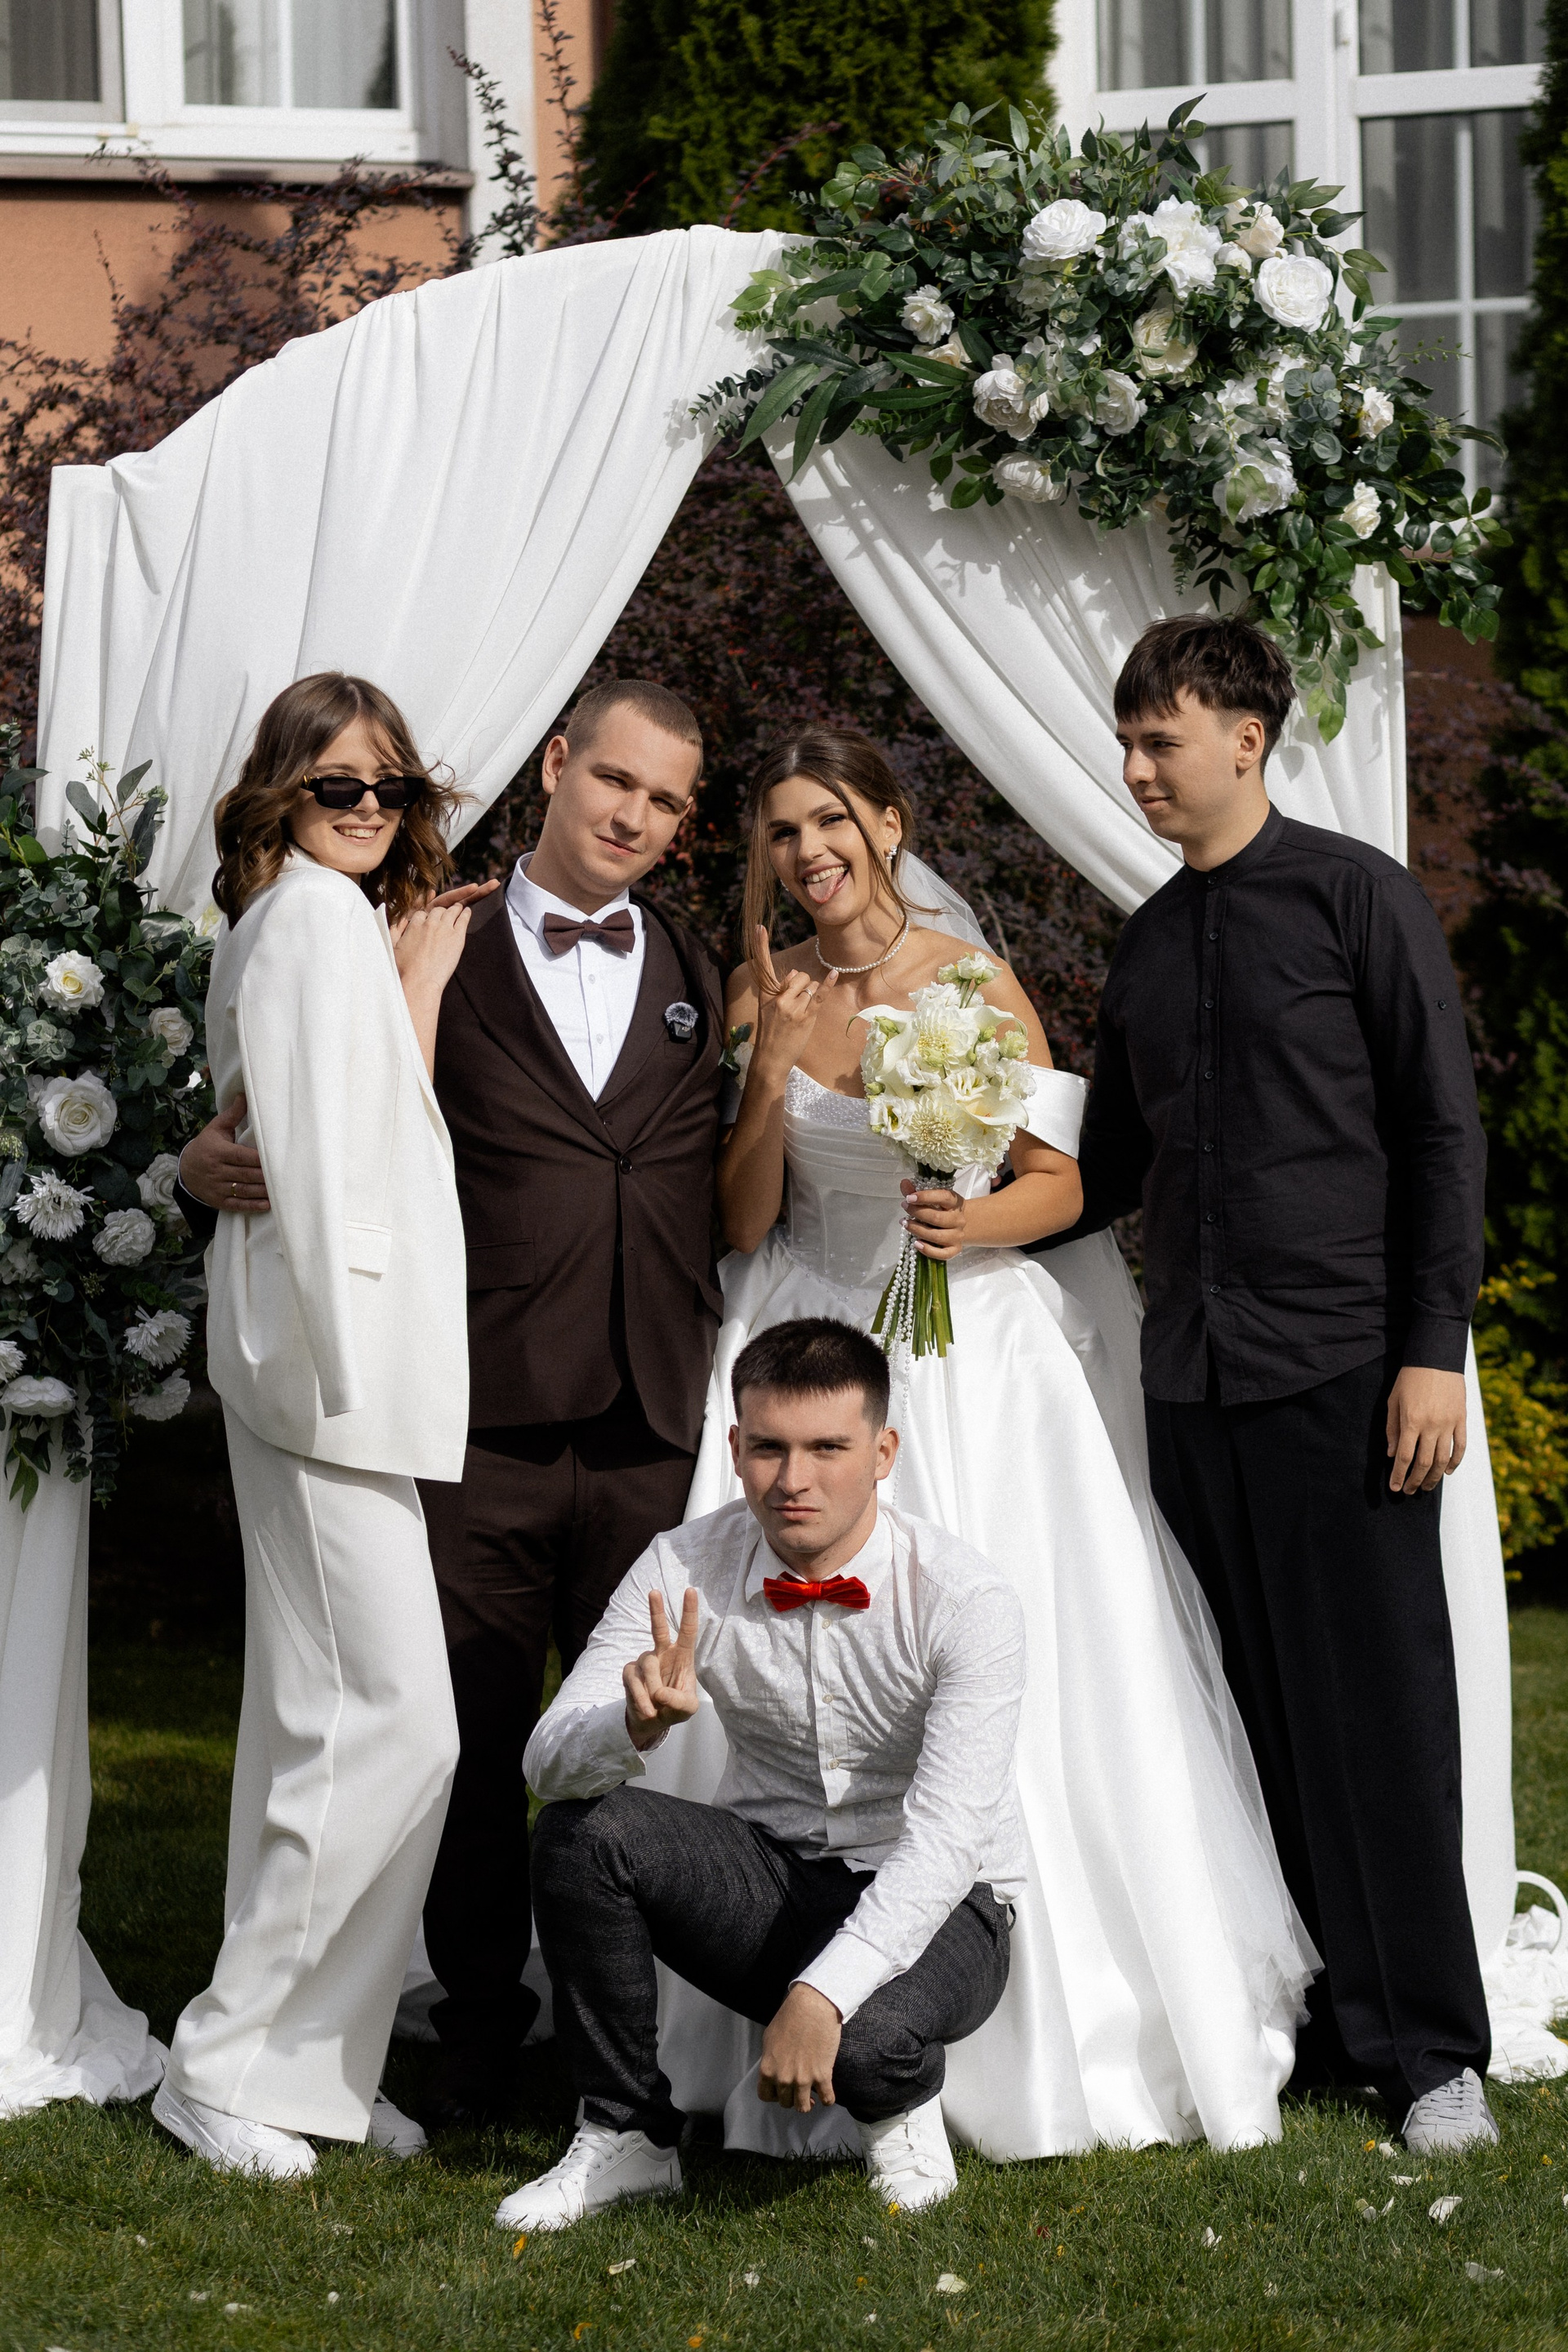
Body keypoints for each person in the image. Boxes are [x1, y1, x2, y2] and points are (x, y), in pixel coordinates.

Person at [648, 726, 1317, 2162]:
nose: (808, 852)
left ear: (888, 826)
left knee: (1011, 1663)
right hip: (803, 1329)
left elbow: (1062, 1182)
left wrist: (966, 1222)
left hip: (960, 1352)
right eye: (782, 831)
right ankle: (767, 1986)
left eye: (832, 820)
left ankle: (1034, 2024)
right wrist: (766, 1075)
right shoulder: (765, 991)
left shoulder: (970, 981)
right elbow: (744, 1218)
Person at [180, 676, 725, 2130]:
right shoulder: (418, 935)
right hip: (465, 1400)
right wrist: (198, 1165)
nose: (635, 816)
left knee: (632, 1737)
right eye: (615, 780)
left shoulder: (694, 957)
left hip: (650, 1409)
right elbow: (318, 1115)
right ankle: (475, 2033)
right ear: (556, 766)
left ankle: (619, 2050)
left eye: (667, 801)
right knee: (460, 1735)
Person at [1048, 613, 1494, 2154]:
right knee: (1248, 1721)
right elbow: (1113, 1163)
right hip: (1193, 1385)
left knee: (1380, 1719)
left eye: (1159, 740)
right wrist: (957, 1173)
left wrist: (1432, 1351)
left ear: (1247, 739)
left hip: (1348, 1370)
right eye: (1128, 741)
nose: (1135, 768)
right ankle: (1318, 2022)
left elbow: (1441, 1134)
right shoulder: (1148, 940)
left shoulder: (1360, 898)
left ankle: (1430, 2055)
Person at [154, 672, 472, 2179]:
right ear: (284, 793)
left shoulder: (321, 923)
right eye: (338, 785)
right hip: (324, 1373)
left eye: (389, 788)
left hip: (339, 1374)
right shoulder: (305, 920)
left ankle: (313, 2068)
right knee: (397, 1724)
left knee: (326, 1727)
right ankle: (226, 2061)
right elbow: (301, 1154)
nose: (367, 809)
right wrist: (338, 1377)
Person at [502, 1316, 1024, 2231]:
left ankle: (899, 2111)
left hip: (950, 1901)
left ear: (883, 1453)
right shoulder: (680, 1563)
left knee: (867, 2043)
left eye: (828, 1448)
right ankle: (627, 2132)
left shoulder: (966, 1601)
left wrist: (821, 1996)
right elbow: (545, 1763)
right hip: (772, 1877)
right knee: (581, 1833)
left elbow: (947, 1844)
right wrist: (629, 1725)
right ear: (736, 1449)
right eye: (771, 1449)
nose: (794, 1480)